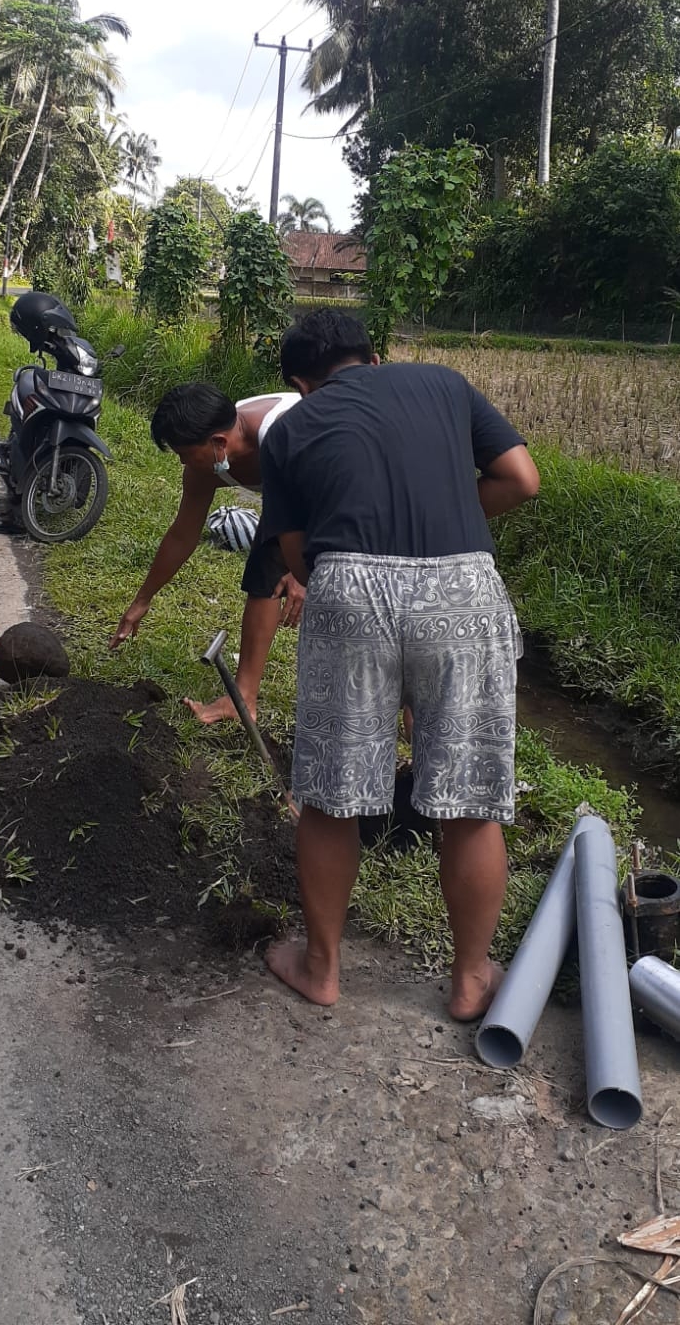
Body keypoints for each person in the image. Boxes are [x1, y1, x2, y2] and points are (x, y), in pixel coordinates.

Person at [257, 308, 540, 1020]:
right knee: (472, 803)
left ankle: (322, 970)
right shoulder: (445, 384)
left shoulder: (289, 428)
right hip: (462, 587)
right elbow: (523, 480)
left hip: (349, 587)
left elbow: (297, 558)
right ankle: (471, 980)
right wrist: (454, 514)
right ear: (373, 356)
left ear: (301, 382)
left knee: (331, 795)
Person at [110, 382, 305, 723]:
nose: (183, 463)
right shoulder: (207, 468)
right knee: (265, 568)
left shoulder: (285, 435)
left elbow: (330, 496)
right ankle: (242, 699)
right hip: (295, 495)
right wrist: (143, 598)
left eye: (185, 454)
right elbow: (182, 535)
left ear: (218, 444)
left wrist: (303, 570)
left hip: (354, 478)